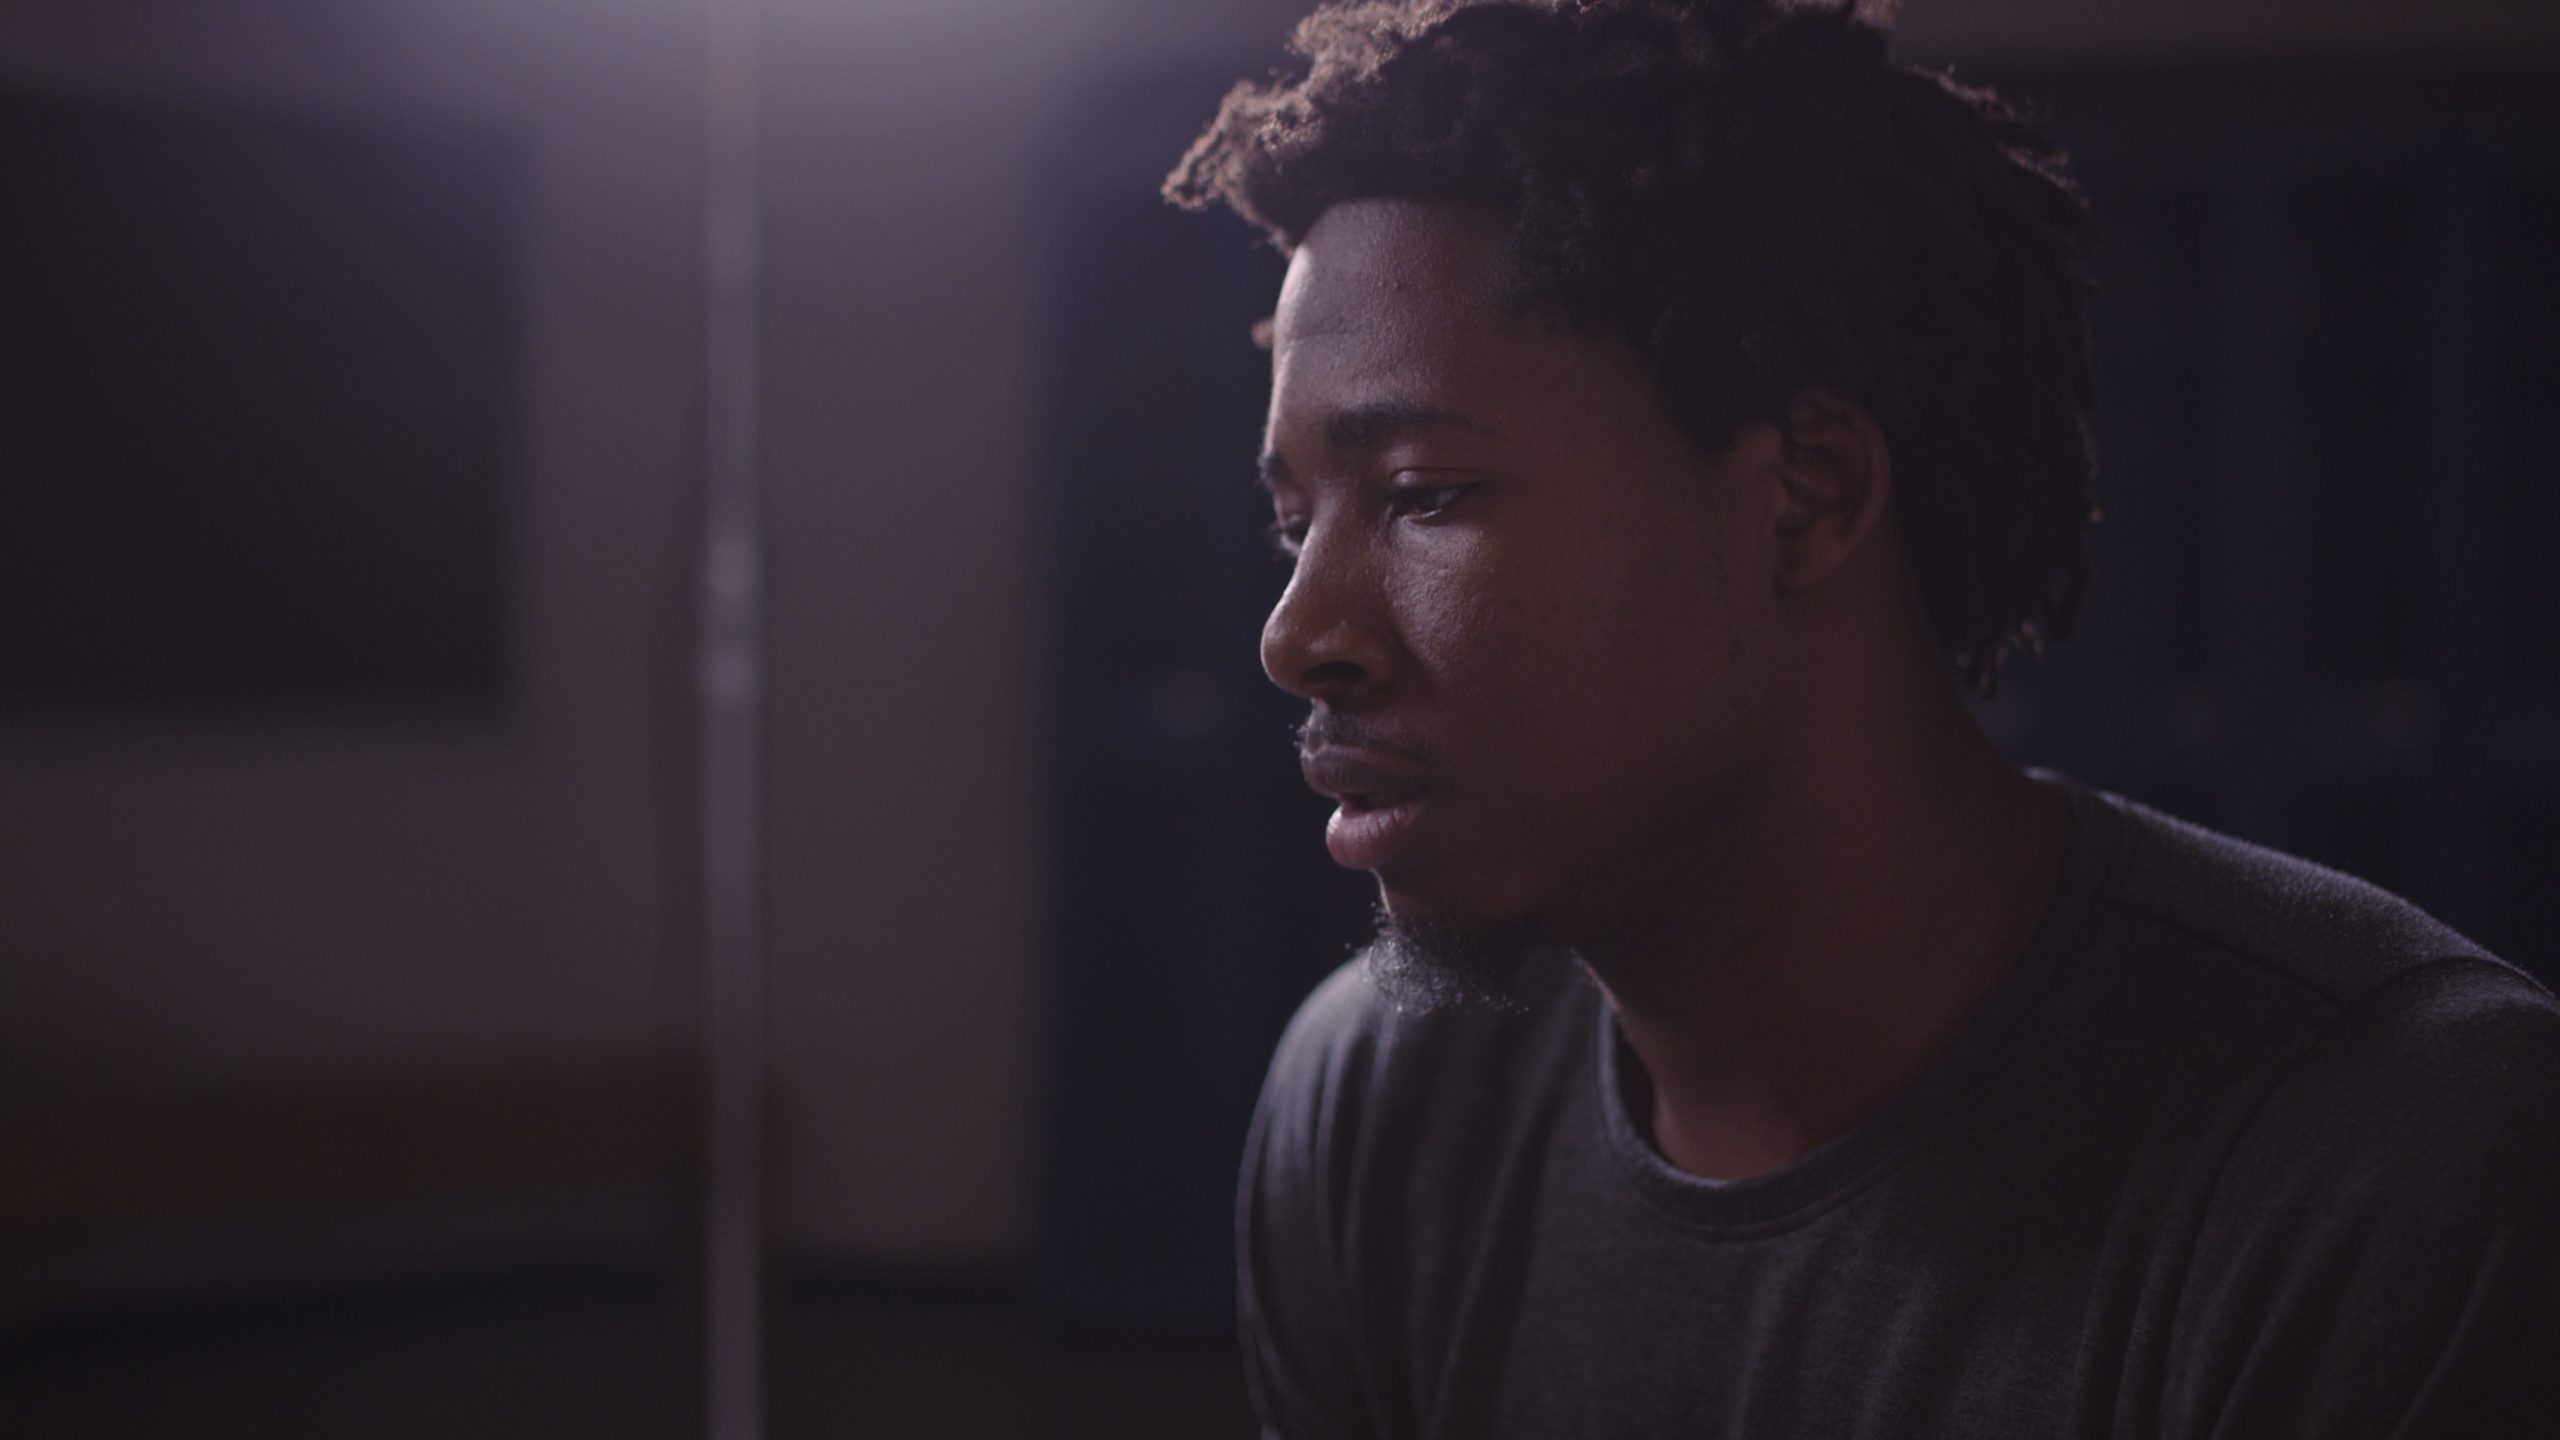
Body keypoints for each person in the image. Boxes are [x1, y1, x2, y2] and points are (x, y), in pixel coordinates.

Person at [1159, 1, 2560, 1435]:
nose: (1297, 638)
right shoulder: (1376, 1115)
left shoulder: (2403, 1173)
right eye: (1293, 522)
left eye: (1423, 495)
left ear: (1807, 494)